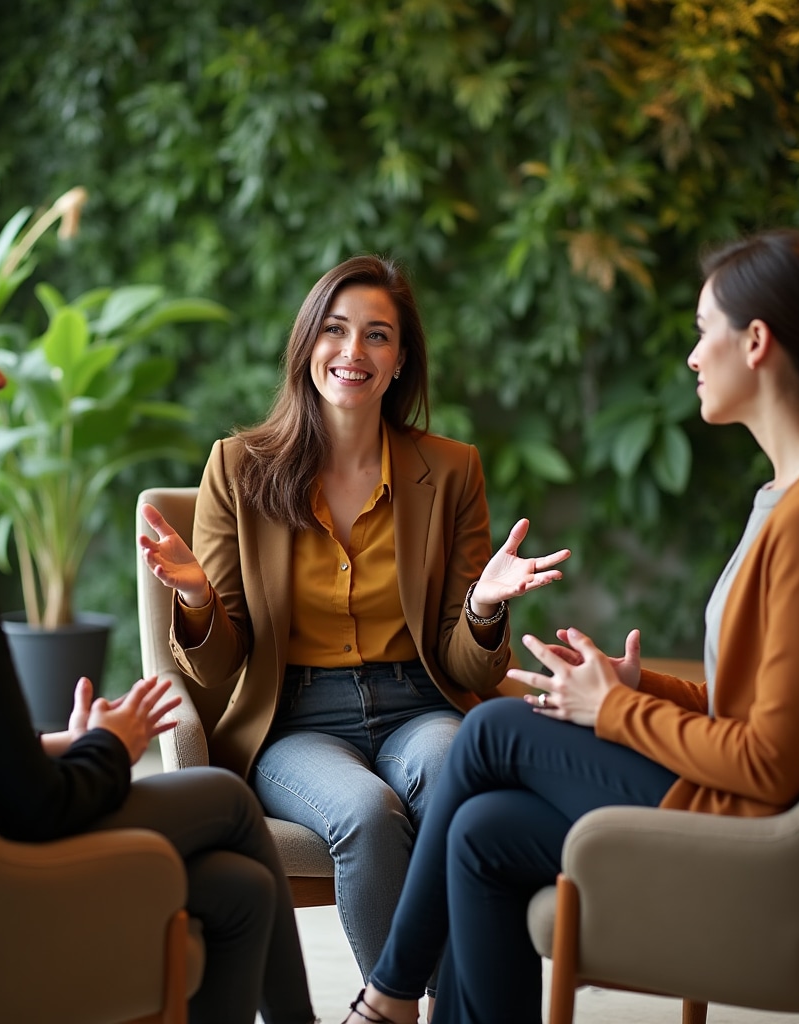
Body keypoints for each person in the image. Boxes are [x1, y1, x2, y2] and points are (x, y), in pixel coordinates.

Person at [342, 227, 799, 1024]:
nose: (691, 357)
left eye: (701, 332)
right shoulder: (791, 498)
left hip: (755, 830)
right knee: (482, 829)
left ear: (755, 343)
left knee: (490, 735)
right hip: (727, 795)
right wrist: (635, 686)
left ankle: (388, 996)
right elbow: (753, 703)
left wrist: (612, 713)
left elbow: (773, 763)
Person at [0, 258, 315, 1024]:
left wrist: (57, 741)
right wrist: (115, 745)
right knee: (224, 795)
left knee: (242, 889)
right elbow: (32, 809)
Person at [139, 254, 570, 983]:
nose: (353, 352)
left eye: (378, 336)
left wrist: (483, 606)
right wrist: (196, 599)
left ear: (401, 360)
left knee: (453, 777)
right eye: (335, 331)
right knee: (367, 814)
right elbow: (218, 665)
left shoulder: (450, 471)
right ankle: (399, 1004)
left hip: (419, 703)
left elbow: (465, 666)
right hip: (298, 718)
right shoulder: (238, 468)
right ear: (308, 345)